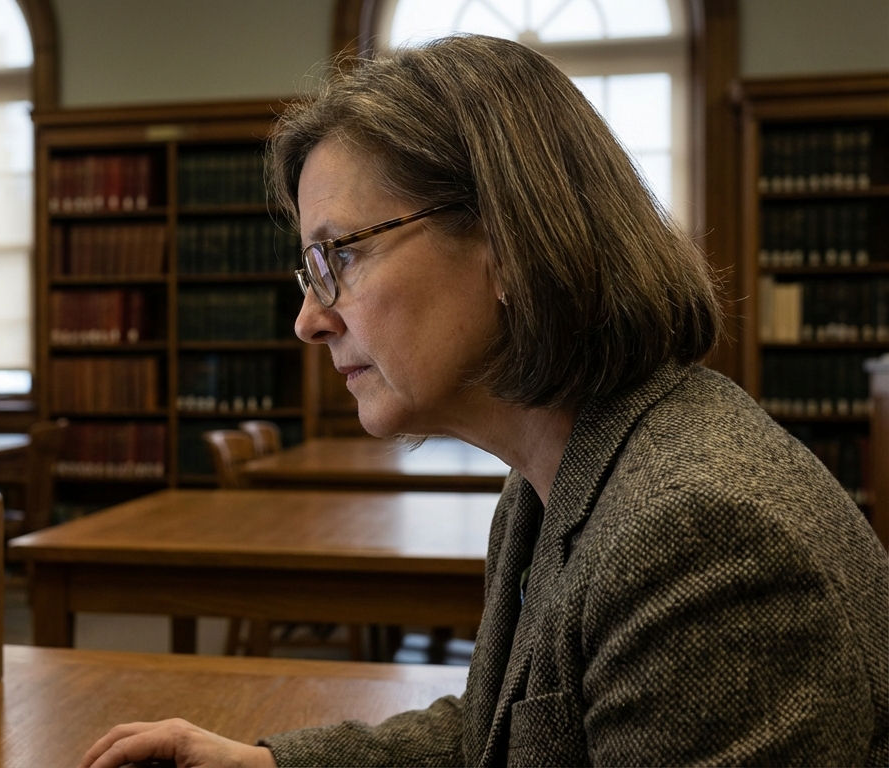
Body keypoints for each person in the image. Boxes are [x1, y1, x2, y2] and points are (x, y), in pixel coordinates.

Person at [78, 34, 889, 768]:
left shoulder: (699, 535)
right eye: (309, 270)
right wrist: (268, 766)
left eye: (341, 258)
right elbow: (506, 730)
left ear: (509, 244)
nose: (308, 319)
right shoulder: (557, 473)